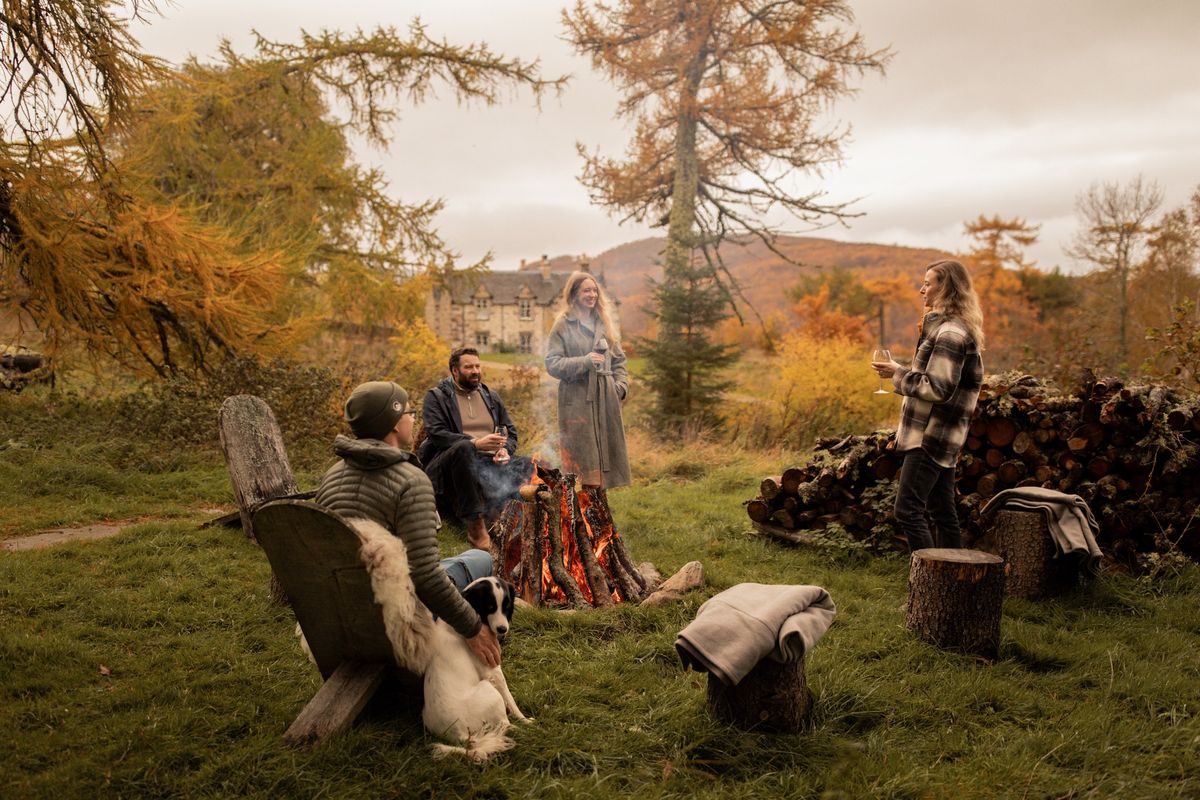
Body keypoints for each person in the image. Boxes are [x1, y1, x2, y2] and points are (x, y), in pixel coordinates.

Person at [316, 380, 501, 667]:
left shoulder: (332, 475)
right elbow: (425, 577)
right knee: (479, 559)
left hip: (341, 608)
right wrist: (472, 628)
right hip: (397, 614)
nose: (415, 418)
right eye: (410, 412)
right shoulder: (411, 480)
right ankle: (478, 639)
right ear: (393, 423)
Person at [872, 259, 985, 552]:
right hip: (941, 436)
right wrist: (900, 370)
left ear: (945, 288)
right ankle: (951, 587)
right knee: (942, 513)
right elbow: (932, 379)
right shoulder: (946, 329)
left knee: (907, 510)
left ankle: (930, 586)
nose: (921, 289)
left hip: (930, 437)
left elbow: (937, 388)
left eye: (928, 283)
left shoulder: (950, 334)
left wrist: (897, 373)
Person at [418, 348, 531, 550]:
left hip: (490, 462)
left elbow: (511, 432)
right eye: (468, 367)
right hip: (450, 461)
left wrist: (505, 449)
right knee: (464, 448)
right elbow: (436, 434)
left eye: (477, 366)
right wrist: (475, 443)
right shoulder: (437, 397)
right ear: (455, 370)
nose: (475, 371)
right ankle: (476, 527)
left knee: (531, 463)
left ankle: (512, 518)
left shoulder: (491, 396)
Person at [545, 271, 630, 489]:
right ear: (574, 294)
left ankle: (599, 516)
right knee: (583, 462)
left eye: (595, 290)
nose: (592, 295)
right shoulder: (563, 325)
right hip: (577, 402)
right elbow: (552, 364)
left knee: (606, 460)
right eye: (586, 290)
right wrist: (584, 362)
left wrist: (619, 388)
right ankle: (581, 515)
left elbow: (619, 361)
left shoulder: (604, 323)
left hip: (606, 399)